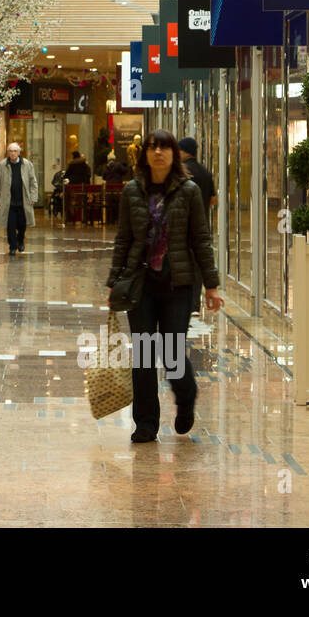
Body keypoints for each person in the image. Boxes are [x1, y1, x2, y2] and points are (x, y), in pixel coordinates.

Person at [106, 129, 224, 444]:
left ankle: (186, 399)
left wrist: (211, 285)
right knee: (143, 354)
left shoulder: (189, 191)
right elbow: (123, 239)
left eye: (164, 147)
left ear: (173, 154)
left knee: (172, 352)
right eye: (153, 147)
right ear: (145, 154)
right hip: (140, 284)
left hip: (178, 284)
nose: (158, 152)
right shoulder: (132, 191)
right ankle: (145, 422)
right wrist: (114, 281)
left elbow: (201, 239)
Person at [178, 137, 217, 315]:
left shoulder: (181, 171)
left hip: (183, 226)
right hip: (201, 225)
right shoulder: (205, 172)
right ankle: (195, 304)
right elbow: (213, 200)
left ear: (185, 151)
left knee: (184, 264)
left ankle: (184, 302)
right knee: (199, 263)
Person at [0, 142, 36, 255]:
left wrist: (33, 196)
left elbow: (33, 182)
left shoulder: (27, 164)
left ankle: (20, 240)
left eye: (15, 151)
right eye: (10, 151)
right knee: (10, 226)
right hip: (8, 201)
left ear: (19, 152)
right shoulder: (2, 165)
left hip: (23, 200)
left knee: (22, 224)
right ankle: (12, 246)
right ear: (8, 153)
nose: (13, 153)